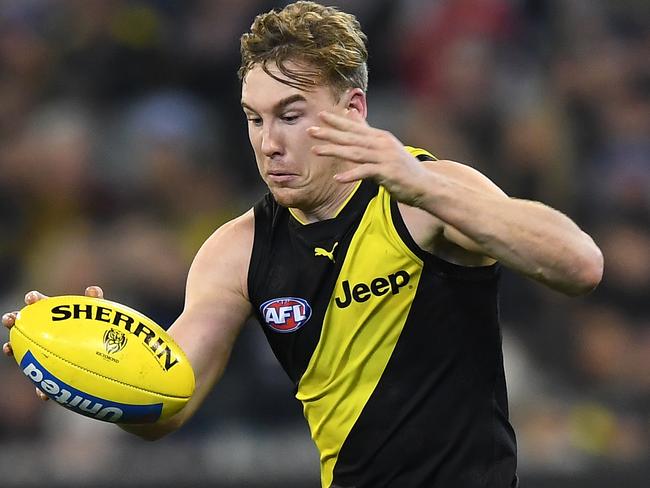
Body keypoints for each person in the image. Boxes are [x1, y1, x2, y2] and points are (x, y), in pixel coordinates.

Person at [2, 2, 603, 487]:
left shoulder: (425, 198)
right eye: (254, 119)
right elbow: (169, 403)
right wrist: (87, 371)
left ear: (354, 111)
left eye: (290, 115)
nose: (268, 143)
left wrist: (422, 184)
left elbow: (580, 265)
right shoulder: (237, 251)